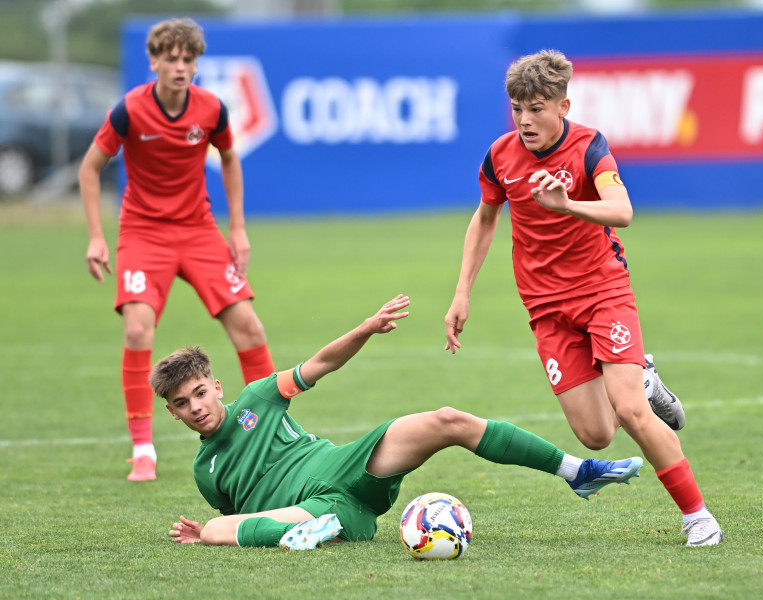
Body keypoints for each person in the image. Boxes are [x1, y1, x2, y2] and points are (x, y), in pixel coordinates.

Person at [443, 51, 723, 547]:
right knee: (596, 434)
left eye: (536, 108)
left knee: (632, 412)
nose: (525, 120)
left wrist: (565, 203)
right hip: (546, 310)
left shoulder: (590, 147)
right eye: (516, 109)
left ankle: (697, 516)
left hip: (602, 292)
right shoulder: (500, 156)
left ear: (562, 106)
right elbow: (485, 217)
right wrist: (462, 291)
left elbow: (623, 210)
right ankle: (642, 374)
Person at [153, 295, 643, 550]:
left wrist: (365, 328)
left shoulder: (260, 397)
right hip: (324, 509)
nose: (195, 406)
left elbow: (320, 364)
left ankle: (577, 472)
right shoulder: (205, 470)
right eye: (182, 403)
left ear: (216, 387)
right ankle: (312, 530)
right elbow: (239, 512)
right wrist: (216, 529)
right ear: (172, 413)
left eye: (200, 392)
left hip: (343, 466)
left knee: (447, 420)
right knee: (216, 528)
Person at [79, 18, 275, 482]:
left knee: (249, 324)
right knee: (138, 329)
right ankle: (143, 449)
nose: (181, 66)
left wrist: (239, 228)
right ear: (155, 62)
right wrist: (95, 236)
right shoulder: (130, 110)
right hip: (143, 233)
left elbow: (229, 157)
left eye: (189, 59)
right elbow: (90, 169)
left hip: (198, 230)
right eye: (172, 58)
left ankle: (272, 428)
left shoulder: (211, 109)